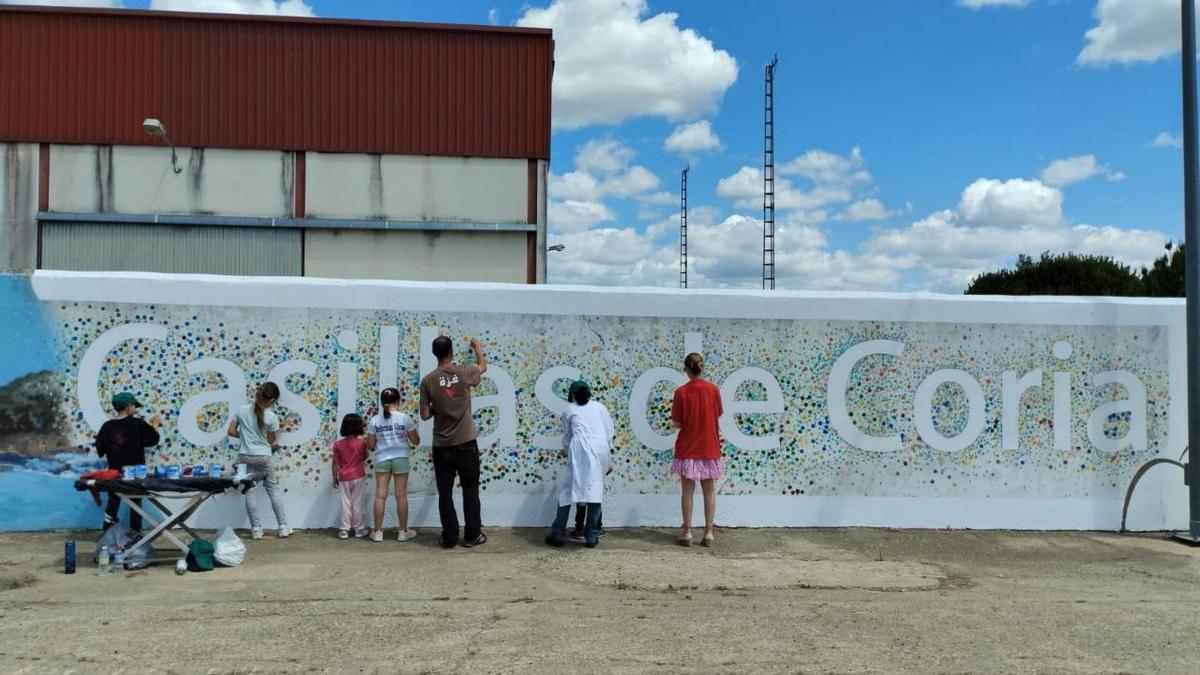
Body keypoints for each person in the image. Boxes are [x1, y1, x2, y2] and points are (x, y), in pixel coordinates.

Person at [419, 336, 487, 549]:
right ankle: (472, 535)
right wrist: (477, 348)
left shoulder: (428, 380)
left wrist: (437, 407)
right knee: (470, 489)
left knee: (445, 492)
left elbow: (424, 415)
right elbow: (483, 367)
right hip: (466, 442)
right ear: (451, 352)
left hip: (442, 445)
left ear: (434, 353)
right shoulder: (464, 372)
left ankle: (449, 537)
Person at [546, 380, 615, 548]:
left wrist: (568, 450)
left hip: (580, 448)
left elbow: (567, 437)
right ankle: (591, 535)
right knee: (595, 490)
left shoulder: (569, 410)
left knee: (567, 491)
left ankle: (558, 533)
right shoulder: (600, 407)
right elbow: (608, 432)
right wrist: (609, 456)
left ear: (573, 395)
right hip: (601, 448)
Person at [669, 353, 723, 547]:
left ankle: (687, 532)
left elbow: (676, 423)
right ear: (702, 367)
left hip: (687, 447)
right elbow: (717, 414)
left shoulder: (681, 392)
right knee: (709, 491)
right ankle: (708, 532)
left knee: (687, 491)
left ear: (686, 370)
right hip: (709, 446)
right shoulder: (713, 390)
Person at [227, 382, 291, 539]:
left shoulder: (241, 411)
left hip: (244, 456)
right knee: (273, 490)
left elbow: (230, 431)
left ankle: (256, 530)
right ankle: (282, 527)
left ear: (257, 394)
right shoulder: (272, 417)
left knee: (250, 491)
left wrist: (244, 437)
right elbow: (270, 440)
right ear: (271, 400)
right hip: (264, 456)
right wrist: (260, 442)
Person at [94, 391, 161, 532]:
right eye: (134, 406)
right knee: (135, 503)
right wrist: (154, 424)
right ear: (129, 407)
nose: (135, 409)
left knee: (113, 501)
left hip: (115, 473)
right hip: (135, 474)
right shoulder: (137, 424)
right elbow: (153, 439)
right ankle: (135, 534)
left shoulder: (107, 427)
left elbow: (100, 449)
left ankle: (107, 532)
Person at [366, 388, 420, 543]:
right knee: (401, 495)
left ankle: (377, 532)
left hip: (382, 458)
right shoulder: (405, 418)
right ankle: (403, 532)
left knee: (380, 495)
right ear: (398, 401)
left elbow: (370, 444)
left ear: (382, 402)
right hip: (401, 458)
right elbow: (416, 441)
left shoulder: (375, 420)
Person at [331, 413, 370, 540]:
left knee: (345, 503)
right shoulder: (361, 443)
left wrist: (334, 476)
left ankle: (344, 530)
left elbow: (335, 462)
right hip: (358, 476)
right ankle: (359, 530)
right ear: (359, 427)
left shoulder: (338, 444)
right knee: (357, 503)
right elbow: (365, 456)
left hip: (343, 477)